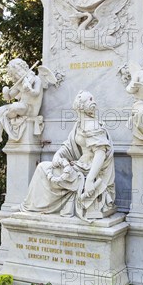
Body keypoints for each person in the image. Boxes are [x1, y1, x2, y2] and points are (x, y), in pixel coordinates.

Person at [21, 91, 116, 221]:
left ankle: (34, 207)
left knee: (42, 168)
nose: (92, 101)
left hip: (89, 171)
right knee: (44, 168)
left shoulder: (92, 125)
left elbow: (100, 154)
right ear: (81, 106)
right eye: (89, 99)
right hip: (80, 166)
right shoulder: (79, 124)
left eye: (92, 99)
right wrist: (58, 155)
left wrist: (89, 180)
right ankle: (35, 207)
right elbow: (68, 145)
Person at [0, 59, 43, 146]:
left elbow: (36, 93)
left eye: (19, 71)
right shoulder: (20, 83)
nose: (18, 74)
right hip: (22, 107)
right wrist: (5, 93)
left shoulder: (36, 79)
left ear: (24, 67)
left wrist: (29, 90)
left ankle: (10, 116)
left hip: (31, 109)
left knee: (14, 107)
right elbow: (9, 97)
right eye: (15, 74)